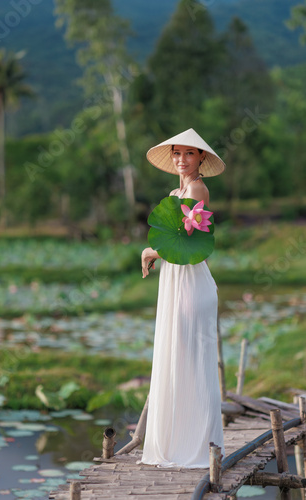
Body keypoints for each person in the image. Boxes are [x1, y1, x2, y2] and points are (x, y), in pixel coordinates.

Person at [138, 128, 225, 468]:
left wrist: (150, 250)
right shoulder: (178, 190)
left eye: (190, 154)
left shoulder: (198, 188)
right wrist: (159, 250)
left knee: (191, 361)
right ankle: (176, 443)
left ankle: (197, 446)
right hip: (176, 280)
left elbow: (186, 243)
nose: (181, 159)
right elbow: (175, 236)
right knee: (177, 357)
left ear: (201, 157)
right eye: (177, 153)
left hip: (191, 283)